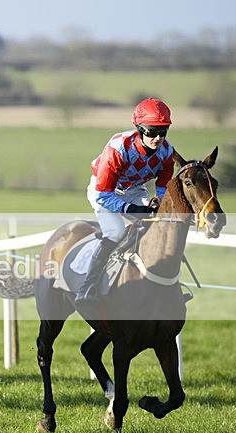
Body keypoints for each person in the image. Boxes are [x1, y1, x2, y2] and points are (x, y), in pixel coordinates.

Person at [75, 97, 175, 303]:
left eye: (162, 132)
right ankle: (87, 286)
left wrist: (157, 201)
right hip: (104, 190)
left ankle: (157, 283)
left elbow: (164, 185)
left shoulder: (166, 152)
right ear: (139, 129)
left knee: (155, 226)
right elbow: (103, 194)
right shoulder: (117, 149)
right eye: (151, 131)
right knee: (117, 231)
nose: (157, 138)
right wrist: (132, 208)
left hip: (134, 189)